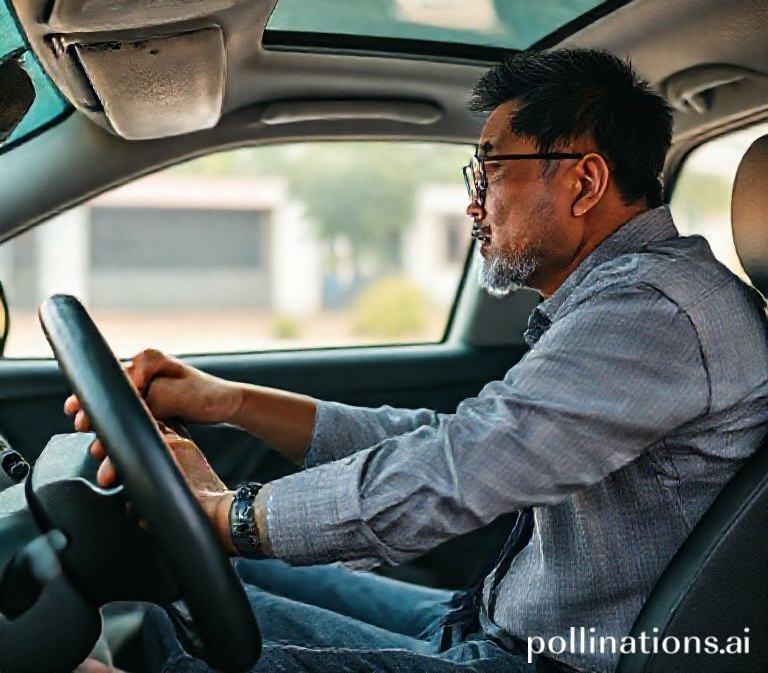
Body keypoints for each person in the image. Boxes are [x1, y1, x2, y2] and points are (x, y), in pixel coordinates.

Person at [67, 49, 768, 673]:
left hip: (544, 657)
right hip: (495, 623)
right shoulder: (634, 300)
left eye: (489, 169)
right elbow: (454, 439)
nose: (472, 203)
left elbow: (464, 466)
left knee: (175, 645)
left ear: (584, 183)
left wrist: (235, 516)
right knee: (175, 600)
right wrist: (231, 403)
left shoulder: (656, 313)